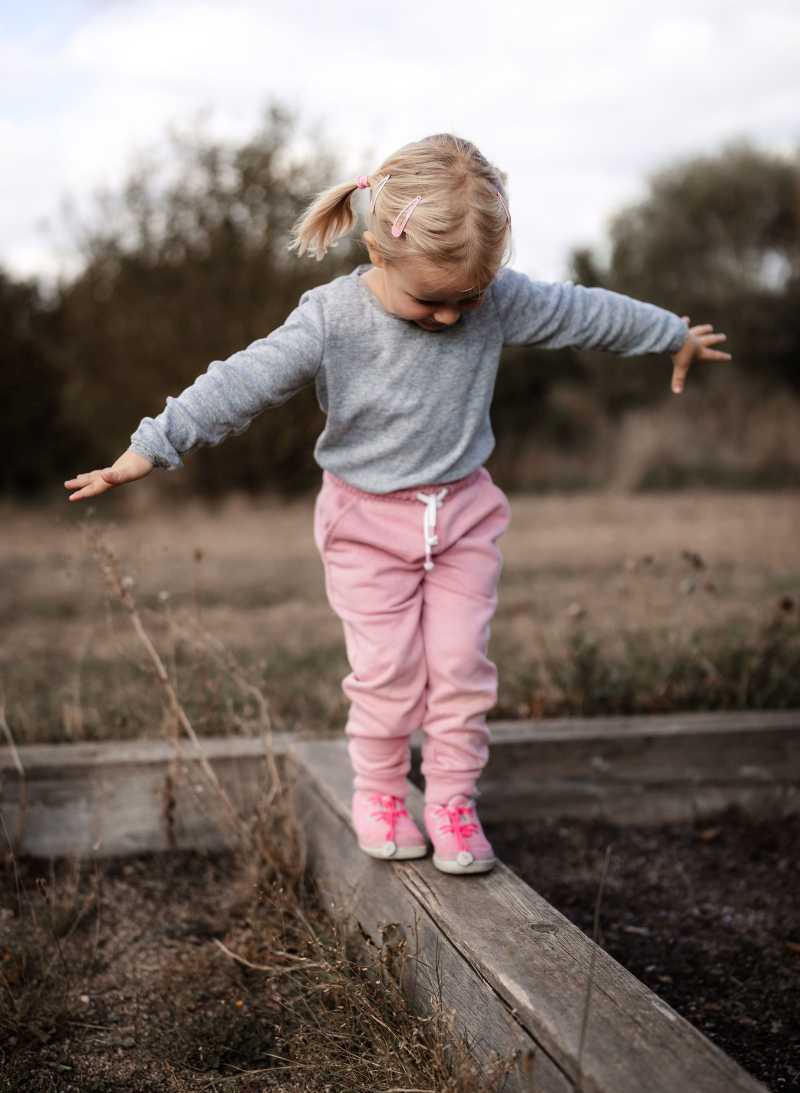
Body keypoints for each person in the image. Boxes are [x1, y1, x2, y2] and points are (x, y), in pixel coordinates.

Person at [64, 132, 732, 875]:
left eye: (467, 301)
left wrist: (669, 333)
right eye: (432, 301)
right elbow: (240, 382)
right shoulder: (330, 318)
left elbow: (584, 313)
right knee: (387, 675)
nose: (451, 319)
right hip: (364, 525)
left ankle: (450, 800)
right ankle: (381, 792)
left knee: (459, 670)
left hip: (464, 516)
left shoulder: (496, 301)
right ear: (381, 253)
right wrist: (150, 447)